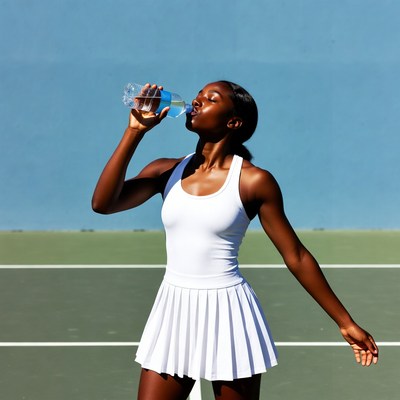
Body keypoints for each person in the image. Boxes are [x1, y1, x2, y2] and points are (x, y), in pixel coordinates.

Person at [92, 81, 379, 400]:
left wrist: (345, 322)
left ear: (233, 122)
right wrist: (135, 132)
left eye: (210, 99)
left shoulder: (254, 181)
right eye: (198, 96)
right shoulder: (165, 170)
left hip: (228, 315)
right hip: (173, 310)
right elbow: (103, 204)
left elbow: (295, 255)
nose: (198, 101)